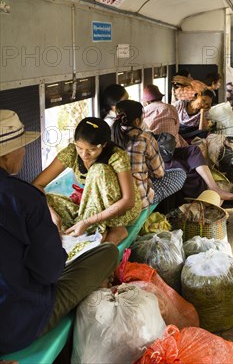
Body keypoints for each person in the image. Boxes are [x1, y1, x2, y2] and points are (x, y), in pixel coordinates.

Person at [0, 110, 119, 355]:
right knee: (106, 253)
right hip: (20, 323)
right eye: (21, 146)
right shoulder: (23, 198)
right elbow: (49, 273)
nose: (23, 152)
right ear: (6, 154)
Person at [33, 118, 142, 245]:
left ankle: (115, 228)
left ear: (104, 144)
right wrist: (52, 214)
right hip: (94, 206)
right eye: (80, 148)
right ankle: (93, 226)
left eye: (91, 150)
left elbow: (128, 201)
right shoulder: (71, 152)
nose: (84, 154)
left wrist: (87, 221)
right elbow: (37, 185)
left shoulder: (117, 156)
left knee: (98, 169)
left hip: (120, 210)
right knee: (45, 201)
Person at [142, 86, 233, 202]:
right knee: (186, 168)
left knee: (194, 150)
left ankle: (214, 189)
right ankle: (203, 198)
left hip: (174, 142)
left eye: (207, 104)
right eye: (203, 101)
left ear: (146, 101)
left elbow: (186, 131)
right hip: (160, 151)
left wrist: (202, 111)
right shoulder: (176, 107)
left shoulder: (145, 112)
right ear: (197, 96)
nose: (203, 104)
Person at [111, 100, 186, 210]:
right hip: (139, 200)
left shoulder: (110, 137)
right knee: (180, 173)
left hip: (116, 198)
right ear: (137, 121)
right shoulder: (145, 138)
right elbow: (159, 173)